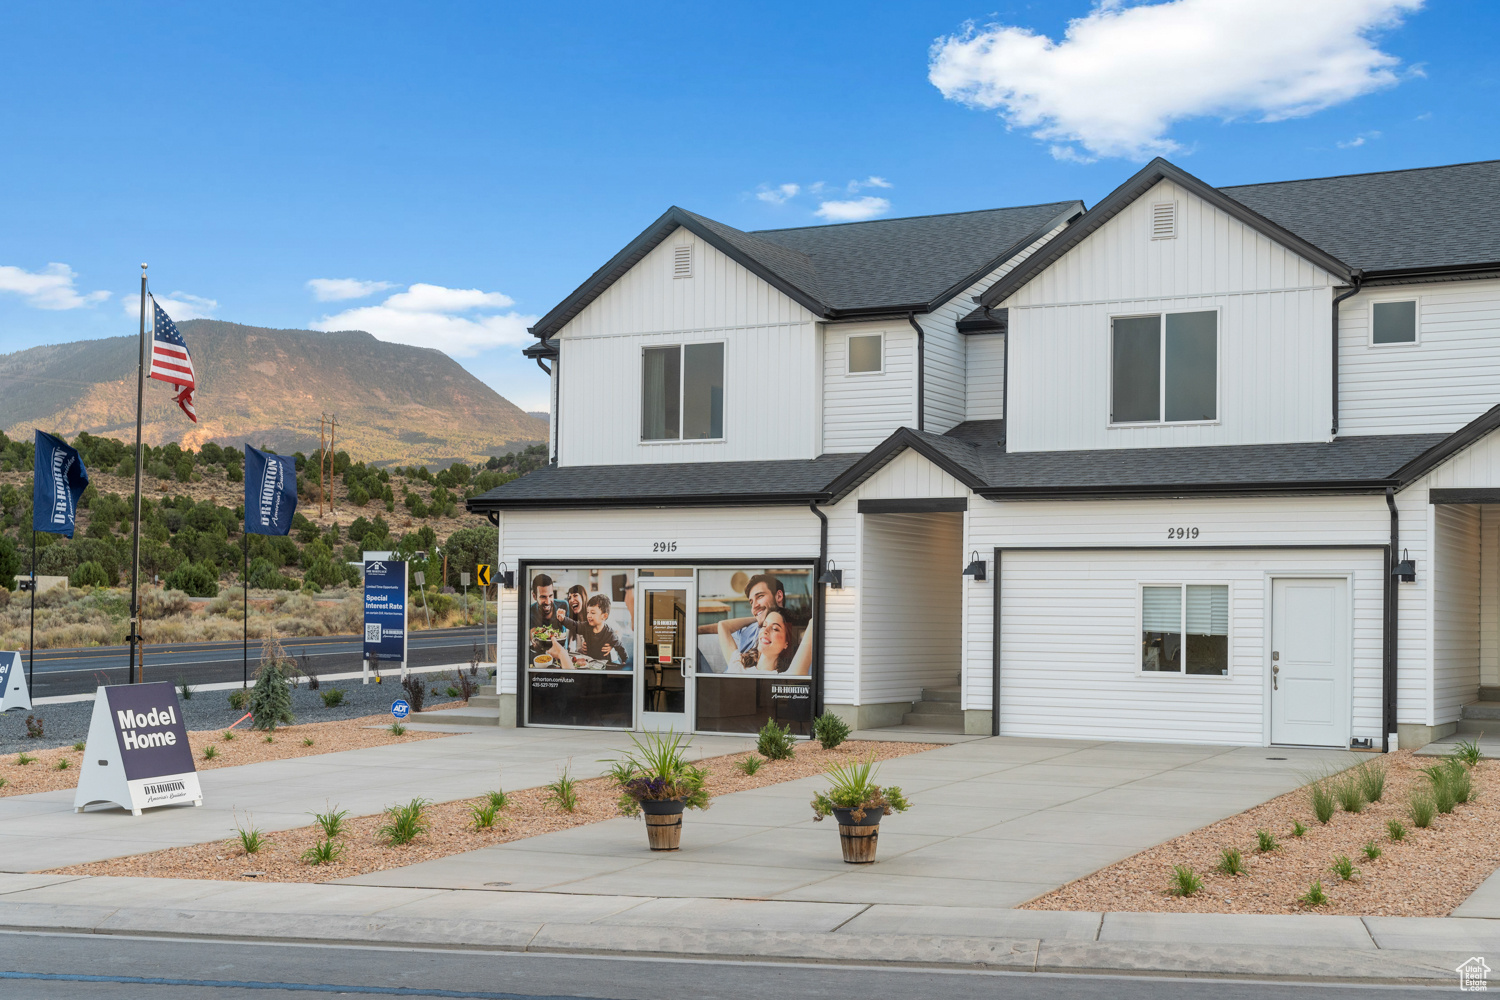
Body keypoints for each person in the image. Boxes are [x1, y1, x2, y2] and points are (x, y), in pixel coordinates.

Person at [707, 574, 785, 657]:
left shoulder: (785, 633)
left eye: (760, 596)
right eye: (751, 602)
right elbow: (722, 627)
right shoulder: (752, 628)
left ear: (779, 596)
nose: (754, 606)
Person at [725, 609, 810, 675]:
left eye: (775, 628)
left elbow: (813, 623)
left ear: (786, 643)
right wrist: (758, 618)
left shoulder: (787, 676)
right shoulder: (739, 663)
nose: (765, 630)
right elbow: (724, 626)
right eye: (764, 625)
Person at [556, 594, 628, 666]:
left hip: (604, 665)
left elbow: (620, 647)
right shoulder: (585, 626)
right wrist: (563, 619)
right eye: (588, 612)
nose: (588, 616)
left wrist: (624, 660)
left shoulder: (609, 633)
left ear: (604, 616)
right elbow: (574, 625)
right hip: (589, 663)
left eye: (592, 613)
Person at [528, 574, 568, 657]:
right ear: (534, 596)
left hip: (561, 656)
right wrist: (534, 640)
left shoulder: (563, 605)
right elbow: (534, 636)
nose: (548, 601)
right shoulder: (530, 611)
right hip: (540, 657)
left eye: (550, 596)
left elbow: (567, 633)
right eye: (543, 597)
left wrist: (563, 621)